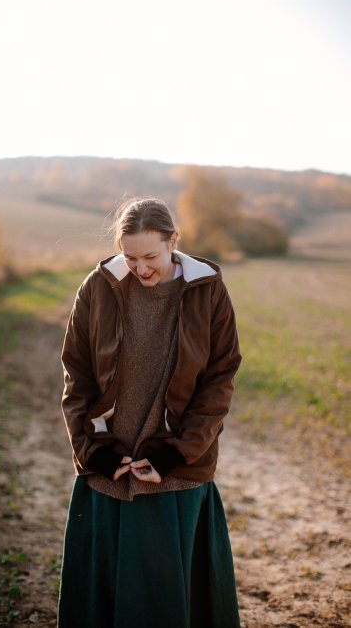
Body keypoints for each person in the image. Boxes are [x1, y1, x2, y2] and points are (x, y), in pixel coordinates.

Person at [58, 197, 242, 628]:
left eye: (150, 256)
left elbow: (220, 379)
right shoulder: (97, 288)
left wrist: (177, 453)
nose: (140, 269)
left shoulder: (207, 289)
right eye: (130, 257)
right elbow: (76, 376)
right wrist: (93, 453)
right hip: (111, 469)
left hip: (177, 471)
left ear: (173, 240)